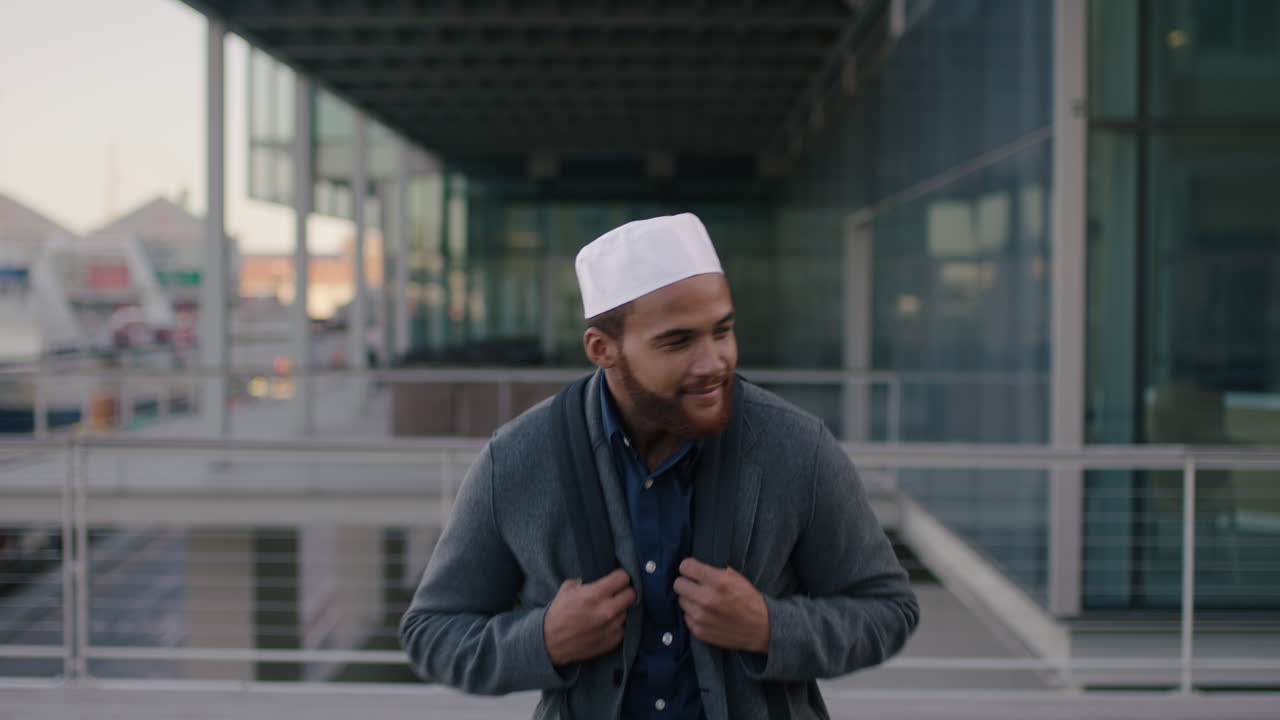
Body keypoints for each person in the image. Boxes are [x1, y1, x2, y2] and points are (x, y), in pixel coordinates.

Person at [400, 213, 919, 719]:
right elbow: (432, 633)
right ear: (602, 349)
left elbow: (888, 609)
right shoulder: (515, 459)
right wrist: (544, 640)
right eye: (678, 341)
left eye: (722, 331)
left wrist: (768, 627)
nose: (713, 361)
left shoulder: (798, 447)